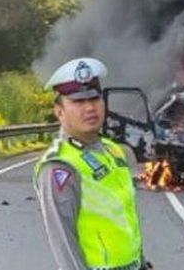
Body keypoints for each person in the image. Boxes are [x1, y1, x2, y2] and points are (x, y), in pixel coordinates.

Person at [34, 57, 147, 270]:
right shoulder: (60, 166)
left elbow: (125, 219)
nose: (89, 108)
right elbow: (64, 244)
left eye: (94, 99)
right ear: (59, 111)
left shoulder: (114, 151)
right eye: (78, 102)